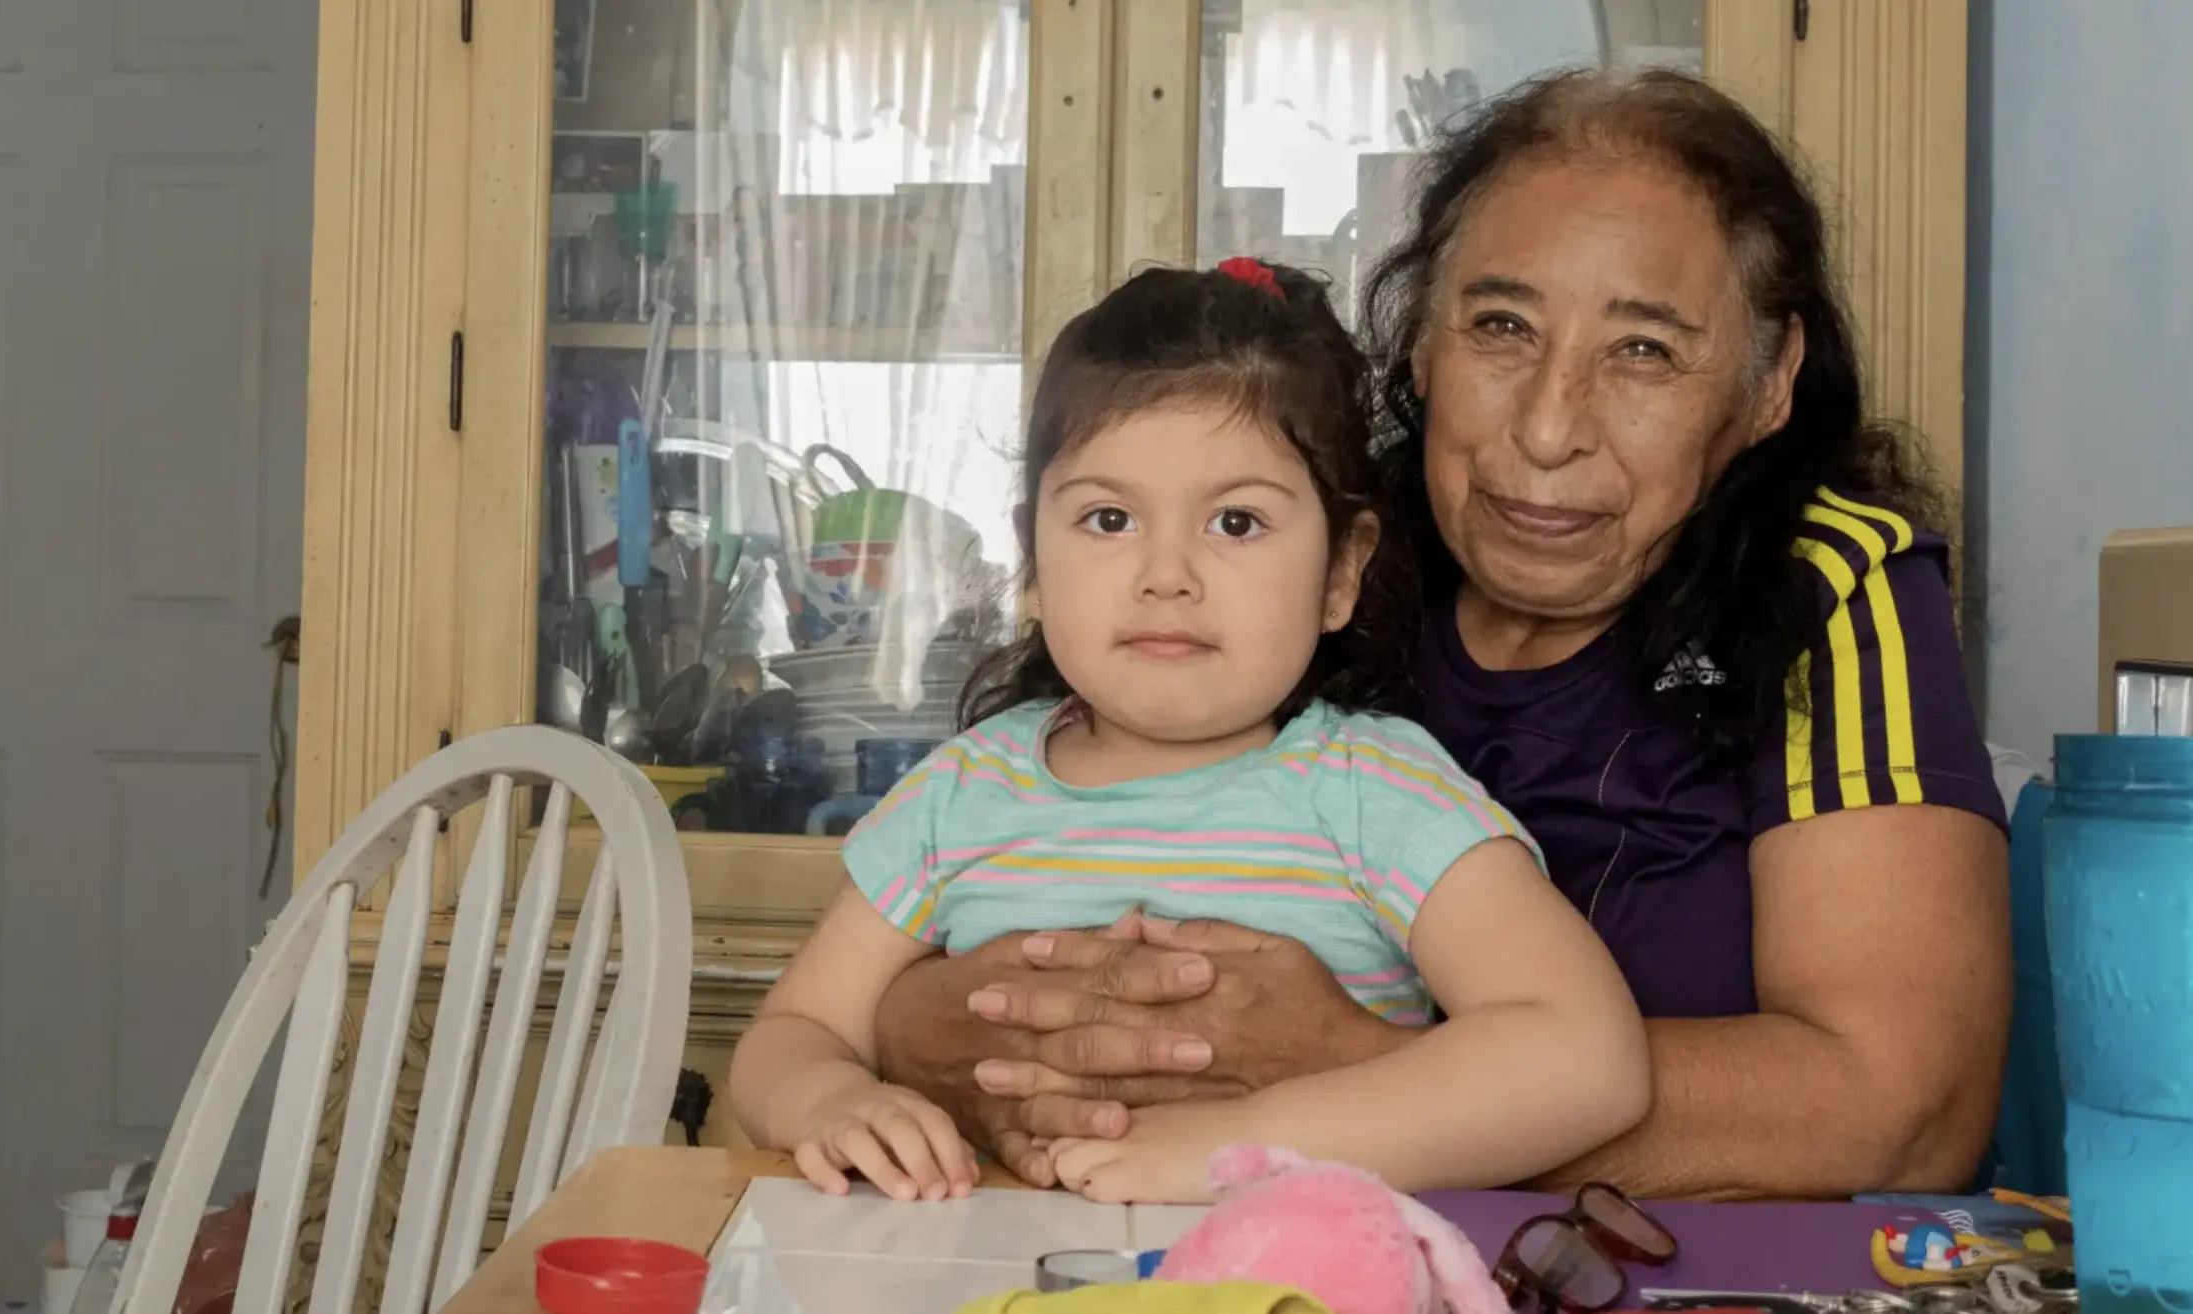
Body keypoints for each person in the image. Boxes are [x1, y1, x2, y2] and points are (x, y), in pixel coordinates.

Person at [864, 69, 2013, 1201]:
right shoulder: (1292, 551)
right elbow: (1014, 845)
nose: (1549, 428)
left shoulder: (1821, 581)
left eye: (1645, 351)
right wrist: (927, 1022)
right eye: (1500, 327)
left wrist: (1356, 1075)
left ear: (1767, 388)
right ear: (1418, 343)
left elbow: (1901, 1115)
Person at [729, 258, 1653, 1205]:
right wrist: (833, 1099)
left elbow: (1586, 1060)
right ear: (1034, 565)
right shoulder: (962, 794)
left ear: (1343, 569)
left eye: (1238, 522)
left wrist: (1248, 1141)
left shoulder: (1378, 792)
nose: (1166, 572)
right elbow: (792, 1033)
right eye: (1109, 517)